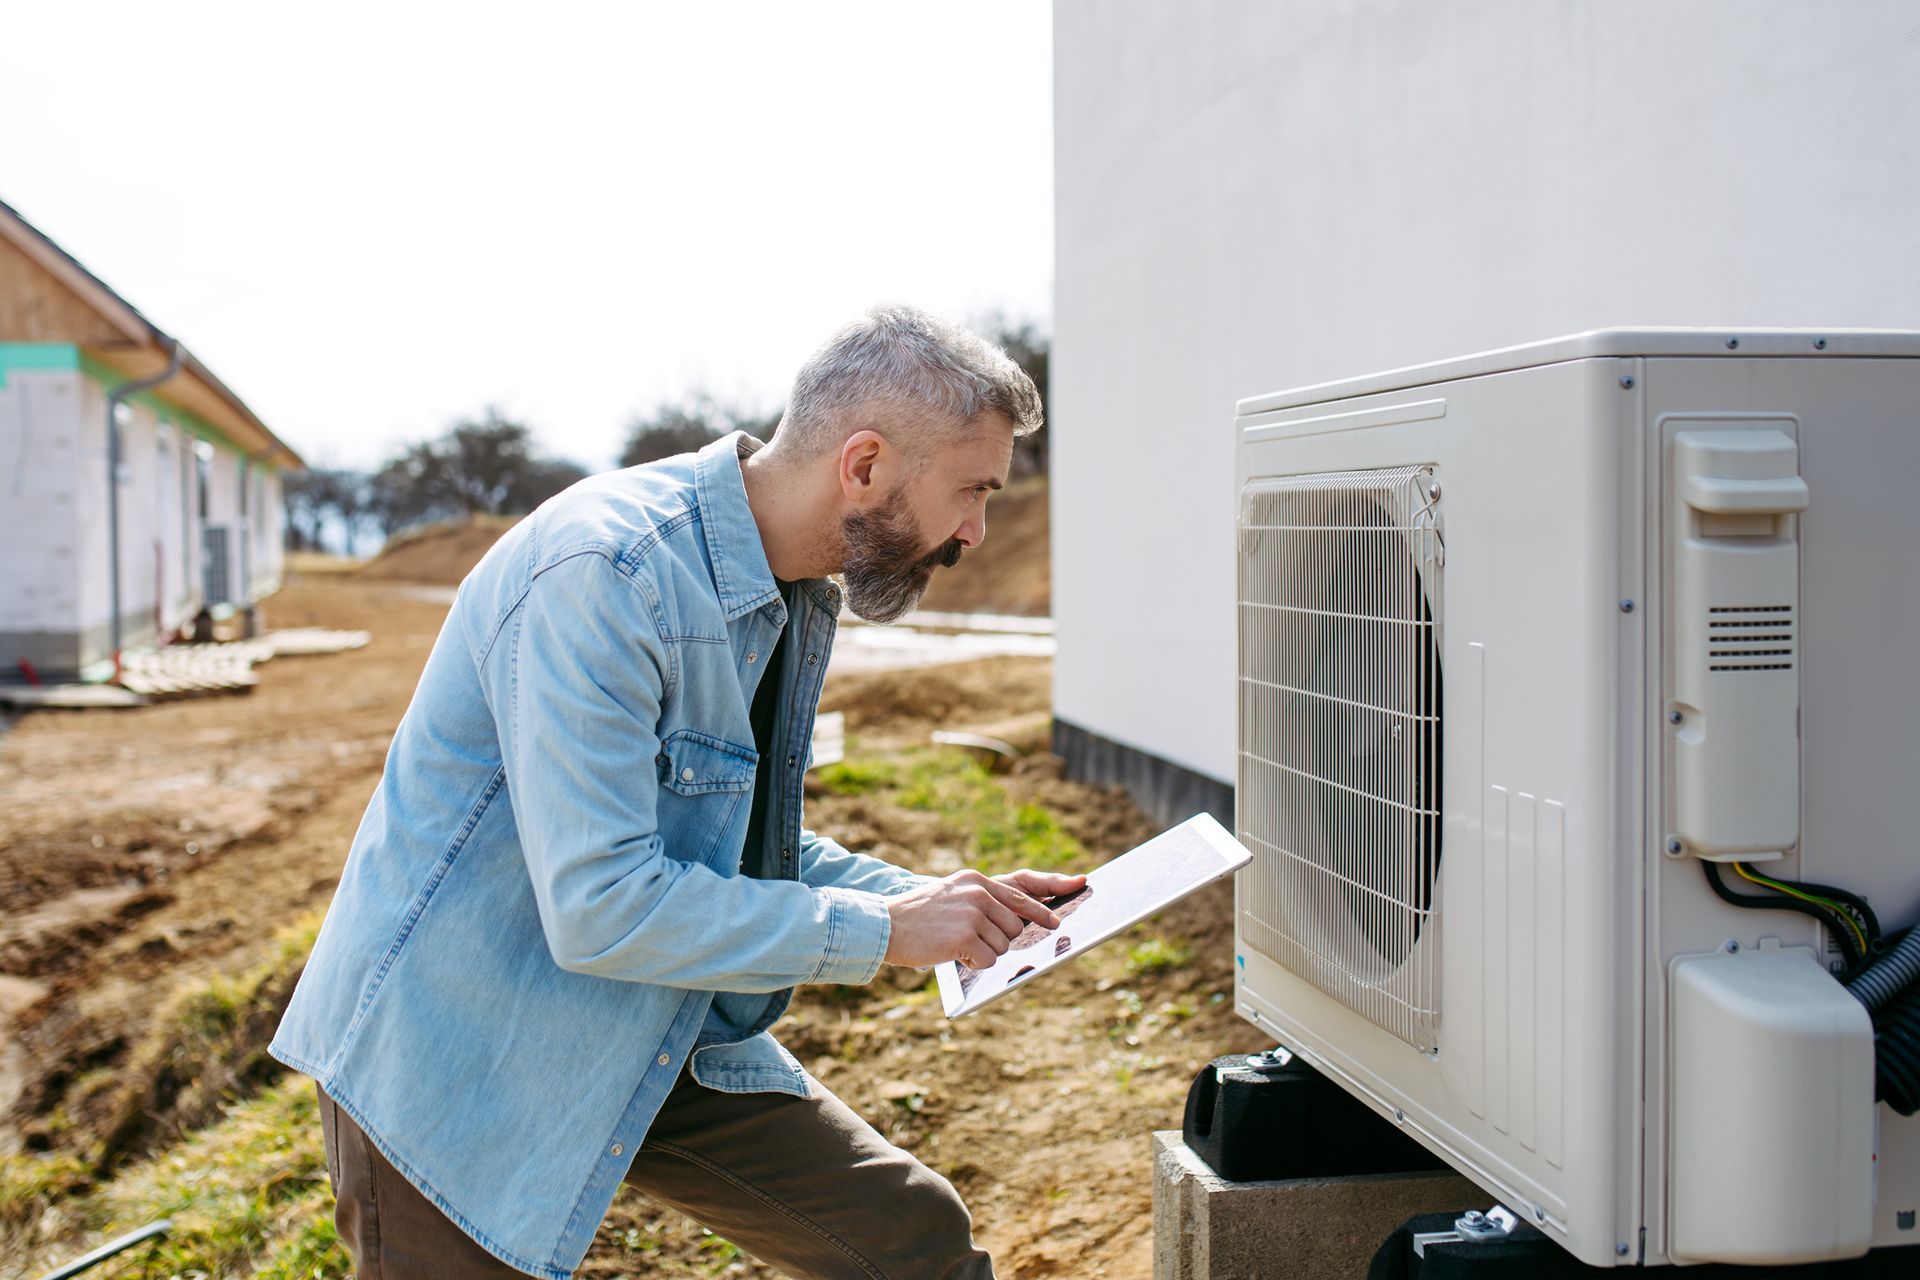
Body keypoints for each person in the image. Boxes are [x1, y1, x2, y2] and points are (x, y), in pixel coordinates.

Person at [269, 305, 1083, 1279]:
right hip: (461, 1054)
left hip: (651, 1017)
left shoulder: (788, 589)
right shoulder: (607, 574)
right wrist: (891, 933)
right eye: (972, 492)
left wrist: (949, 903)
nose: (977, 531)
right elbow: (602, 907)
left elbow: (729, 846)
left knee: (904, 1239)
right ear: (863, 465)